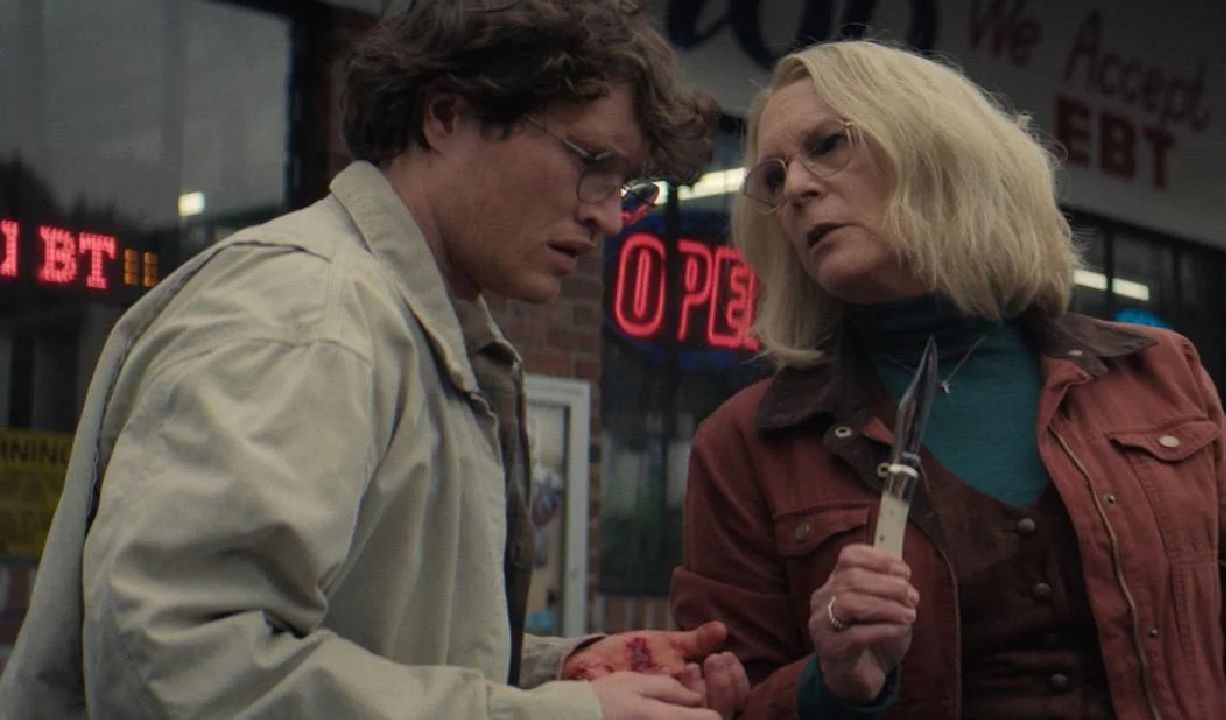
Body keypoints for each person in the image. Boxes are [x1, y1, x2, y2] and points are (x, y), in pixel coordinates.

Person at [0, 1, 751, 718]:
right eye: (592, 162)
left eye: (627, 186)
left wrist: (554, 675)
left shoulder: (408, 328)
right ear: (445, 115)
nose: (608, 215)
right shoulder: (311, 314)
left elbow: (366, 645)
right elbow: (179, 672)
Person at [669, 38, 1226, 720]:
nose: (796, 189)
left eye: (829, 145)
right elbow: (720, 702)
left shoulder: (1157, 373)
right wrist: (830, 685)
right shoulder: (747, 445)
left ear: (938, 151)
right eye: (773, 178)